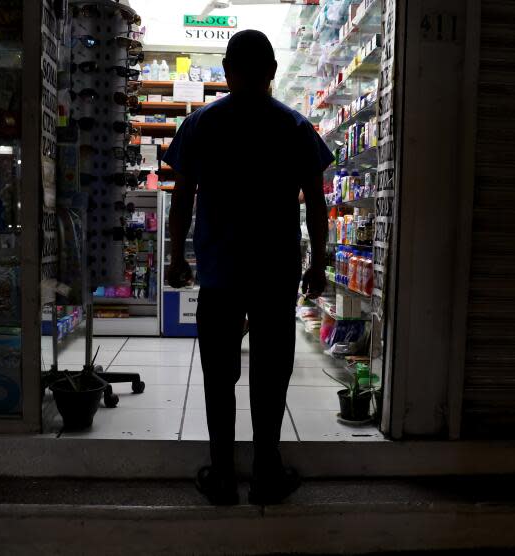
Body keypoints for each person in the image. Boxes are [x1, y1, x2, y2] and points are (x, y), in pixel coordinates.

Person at [163, 30, 333, 506]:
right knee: (270, 374)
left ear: (225, 71)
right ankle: (265, 473)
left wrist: (178, 258)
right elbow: (316, 206)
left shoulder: (199, 126)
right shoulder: (296, 128)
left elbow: (182, 202)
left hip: (220, 272)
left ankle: (221, 476)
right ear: (273, 71)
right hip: (275, 273)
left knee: (219, 376)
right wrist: (317, 263)